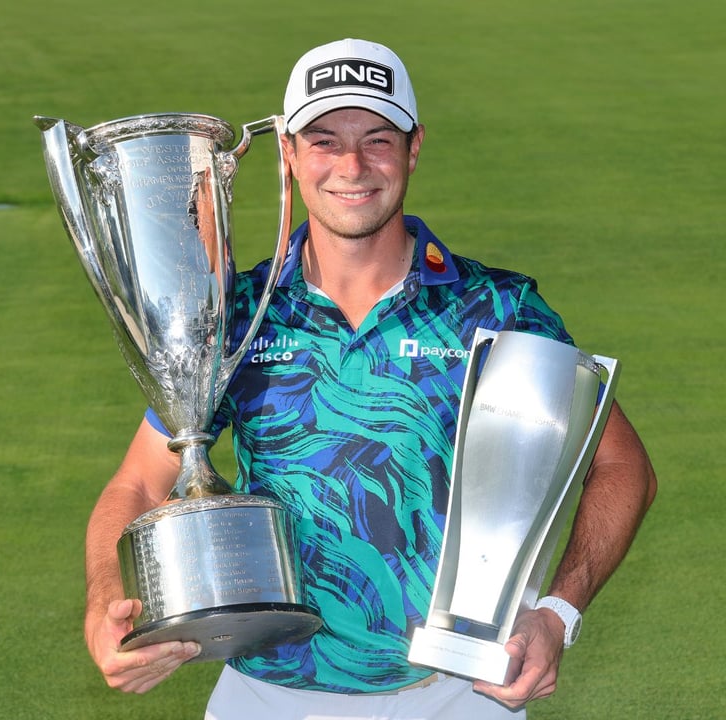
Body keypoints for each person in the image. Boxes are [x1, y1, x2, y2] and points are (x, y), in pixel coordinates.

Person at [83, 38, 658, 719]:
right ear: (289, 156)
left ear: (413, 149)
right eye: (324, 141)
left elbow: (623, 466)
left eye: (377, 139)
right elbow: (140, 481)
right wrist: (103, 606)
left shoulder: (495, 308)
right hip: (267, 696)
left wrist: (558, 613)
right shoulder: (235, 312)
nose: (352, 166)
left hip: (457, 696)